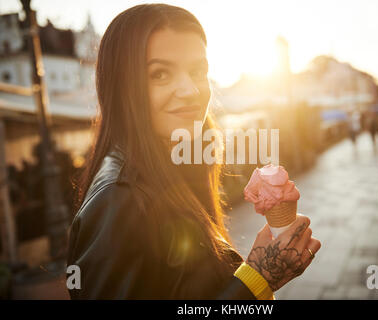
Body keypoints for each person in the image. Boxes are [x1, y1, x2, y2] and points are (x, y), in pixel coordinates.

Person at [66, 4, 321, 299]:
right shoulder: (118, 199)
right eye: (160, 74)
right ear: (123, 87)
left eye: (198, 70)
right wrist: (257, 279)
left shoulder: (172, 167)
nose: (190, 90)